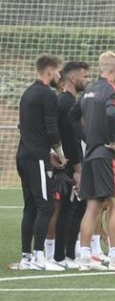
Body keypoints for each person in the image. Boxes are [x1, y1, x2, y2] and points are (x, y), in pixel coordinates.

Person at [69, 51, 115, 271]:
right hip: (106, 155)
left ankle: (84, 258)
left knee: (93, 206)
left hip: (90, 154)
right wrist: (111, 142)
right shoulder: (112, 91)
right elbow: (111, 114)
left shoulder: (89, 90)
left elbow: (72, 116)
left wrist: (87, 137)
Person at [15, 54, 66, 271]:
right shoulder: (47, 94)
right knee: (45, 206)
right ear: (50, 71)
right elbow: (51, 129)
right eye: (58, 71)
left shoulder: (28, 93)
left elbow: (28, 127)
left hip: (24, 155)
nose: (59, 75)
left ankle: (27, 257)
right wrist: (60, 154)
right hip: (36, 158)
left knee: (32, 207)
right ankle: (39, 257)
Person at [51, 61, 90, 269]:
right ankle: (60, 256)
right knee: (69, 207)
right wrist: (77, 168)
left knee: (77, 206)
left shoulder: (67, 100)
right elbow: (68, 137)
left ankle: (67, 253)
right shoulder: (66, 102)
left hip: (69, 161)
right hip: (67, 164)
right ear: (73, 78)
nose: (88, 79)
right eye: (85, 76)